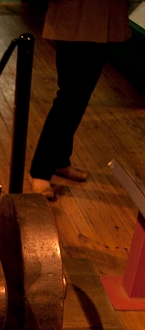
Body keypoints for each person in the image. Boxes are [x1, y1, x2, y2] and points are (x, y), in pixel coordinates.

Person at [30, 0, 131, 200]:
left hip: (100, 13)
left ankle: (60, 160)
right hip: (75, 13)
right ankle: (41, 169)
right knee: (70, 95)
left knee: (79, 95)